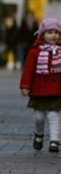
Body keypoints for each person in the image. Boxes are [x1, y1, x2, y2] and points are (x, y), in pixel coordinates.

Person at [20, 18, 61, 153]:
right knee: (39, 117)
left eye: (56, 32)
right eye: (50, 32)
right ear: (42, 34)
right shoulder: (35, 51)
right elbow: (28, 70)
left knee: (54, 115)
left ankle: (54, 141)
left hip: (56, 90)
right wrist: (25, 85)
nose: (53, 35)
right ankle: (39, 134)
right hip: (38, 90)